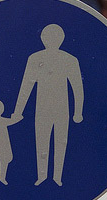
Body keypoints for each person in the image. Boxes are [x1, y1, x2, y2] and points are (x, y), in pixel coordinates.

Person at [12, 24, 84, 187]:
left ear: (61, 39)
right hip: (42, 108)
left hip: (62, 109)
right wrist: (18, 111)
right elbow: (26, 87)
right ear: (43, 39)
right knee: (42, 141)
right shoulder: (35, 59)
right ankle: (42, 176)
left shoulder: (70, 60)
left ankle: (57, 177)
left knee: (61, 141)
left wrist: (78, 112)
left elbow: (77, 88)